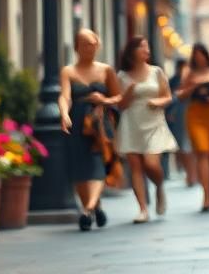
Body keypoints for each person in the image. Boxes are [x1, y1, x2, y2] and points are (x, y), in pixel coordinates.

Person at [59, 28, 122, 231]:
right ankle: (97, 207)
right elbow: (65, 96)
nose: (90, 48)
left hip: (99, 121)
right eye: (86, 44)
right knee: (79, 168)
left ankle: (87, 210)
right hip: (77, 120)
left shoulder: (106, 70)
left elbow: (118, 97)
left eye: (93, 44)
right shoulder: (68, 71)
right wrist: (64, 113)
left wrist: (104, 99)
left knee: (97, 164)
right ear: (77, 47)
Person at [115, 35, 178, 223]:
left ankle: (159, 187)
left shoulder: (156, 72)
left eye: (147, 46)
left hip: (154, 122)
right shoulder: (121, 76)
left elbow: (168, 96)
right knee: (135, 167)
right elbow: (120, 105)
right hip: (131, 121)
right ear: (132, 51)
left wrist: (157, 101)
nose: (146, 50)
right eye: (142, 46)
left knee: (151, 164)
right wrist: (128, 93)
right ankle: (142, 209)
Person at [177, 42, 209, 211]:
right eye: (196, 55)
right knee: (202, 152)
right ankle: (206, 196)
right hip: (196, 114)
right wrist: (194, 86)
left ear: (206, 55)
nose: (199, 58)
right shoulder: (188, 72)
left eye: (202, 54)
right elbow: (181, 95)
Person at [166, 59, 195, 186]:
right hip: (179, 115)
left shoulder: (195, 78)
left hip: (194, 114)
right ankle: (189, 173)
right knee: (182, 145)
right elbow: (171, 97)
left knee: (189, 146)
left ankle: (192, 174)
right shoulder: (174, 81)